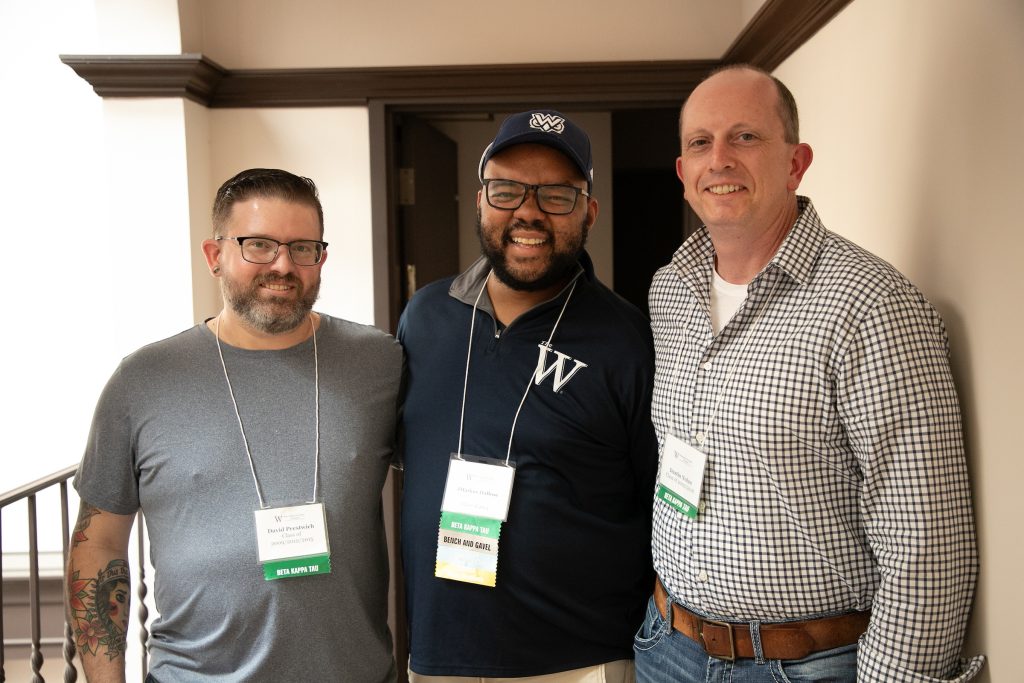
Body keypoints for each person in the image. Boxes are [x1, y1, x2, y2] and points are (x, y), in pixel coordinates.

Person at [636, 65, 984, 682]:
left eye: (745, 137)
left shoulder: (871, 306)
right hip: (669, 648)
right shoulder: (670, 291)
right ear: (684, 175)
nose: (719, 159)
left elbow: (927, 546)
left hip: (804, 667)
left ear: (796, 163)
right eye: (700, 143)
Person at [67, 168, 403, 682]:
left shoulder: (379, 363)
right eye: (259, 245)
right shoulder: (144, 380)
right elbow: (100, 543)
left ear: (322, 258)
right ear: (215, 256)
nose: (284, 265)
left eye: (303, 248)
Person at [398, 110, 658, 681]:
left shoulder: (627, 339)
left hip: (580, 660)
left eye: (556, 195)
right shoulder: (424, 318)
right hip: (439, 657)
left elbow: (656, 502)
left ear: (589, 211)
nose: (528, 210)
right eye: (508, 189)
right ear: (479, 200)